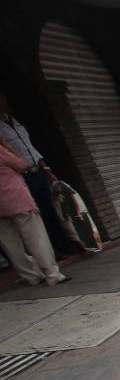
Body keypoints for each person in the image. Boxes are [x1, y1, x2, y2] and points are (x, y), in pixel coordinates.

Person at [0, 91, 75, 258]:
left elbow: (30, 146)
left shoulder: (14, 120)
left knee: (51, 209)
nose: (3, 100)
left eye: (3, 97)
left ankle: (65, 243)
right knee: (38, 215)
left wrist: (46, 169)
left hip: (37, 170)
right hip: (22, 175)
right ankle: (52, 251)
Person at [0, 135, 70, 285]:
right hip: (17, 200)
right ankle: (52, 274)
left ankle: (32, 276)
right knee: (35, 237)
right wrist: (7, 146)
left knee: (10, 244)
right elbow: (22, 165)